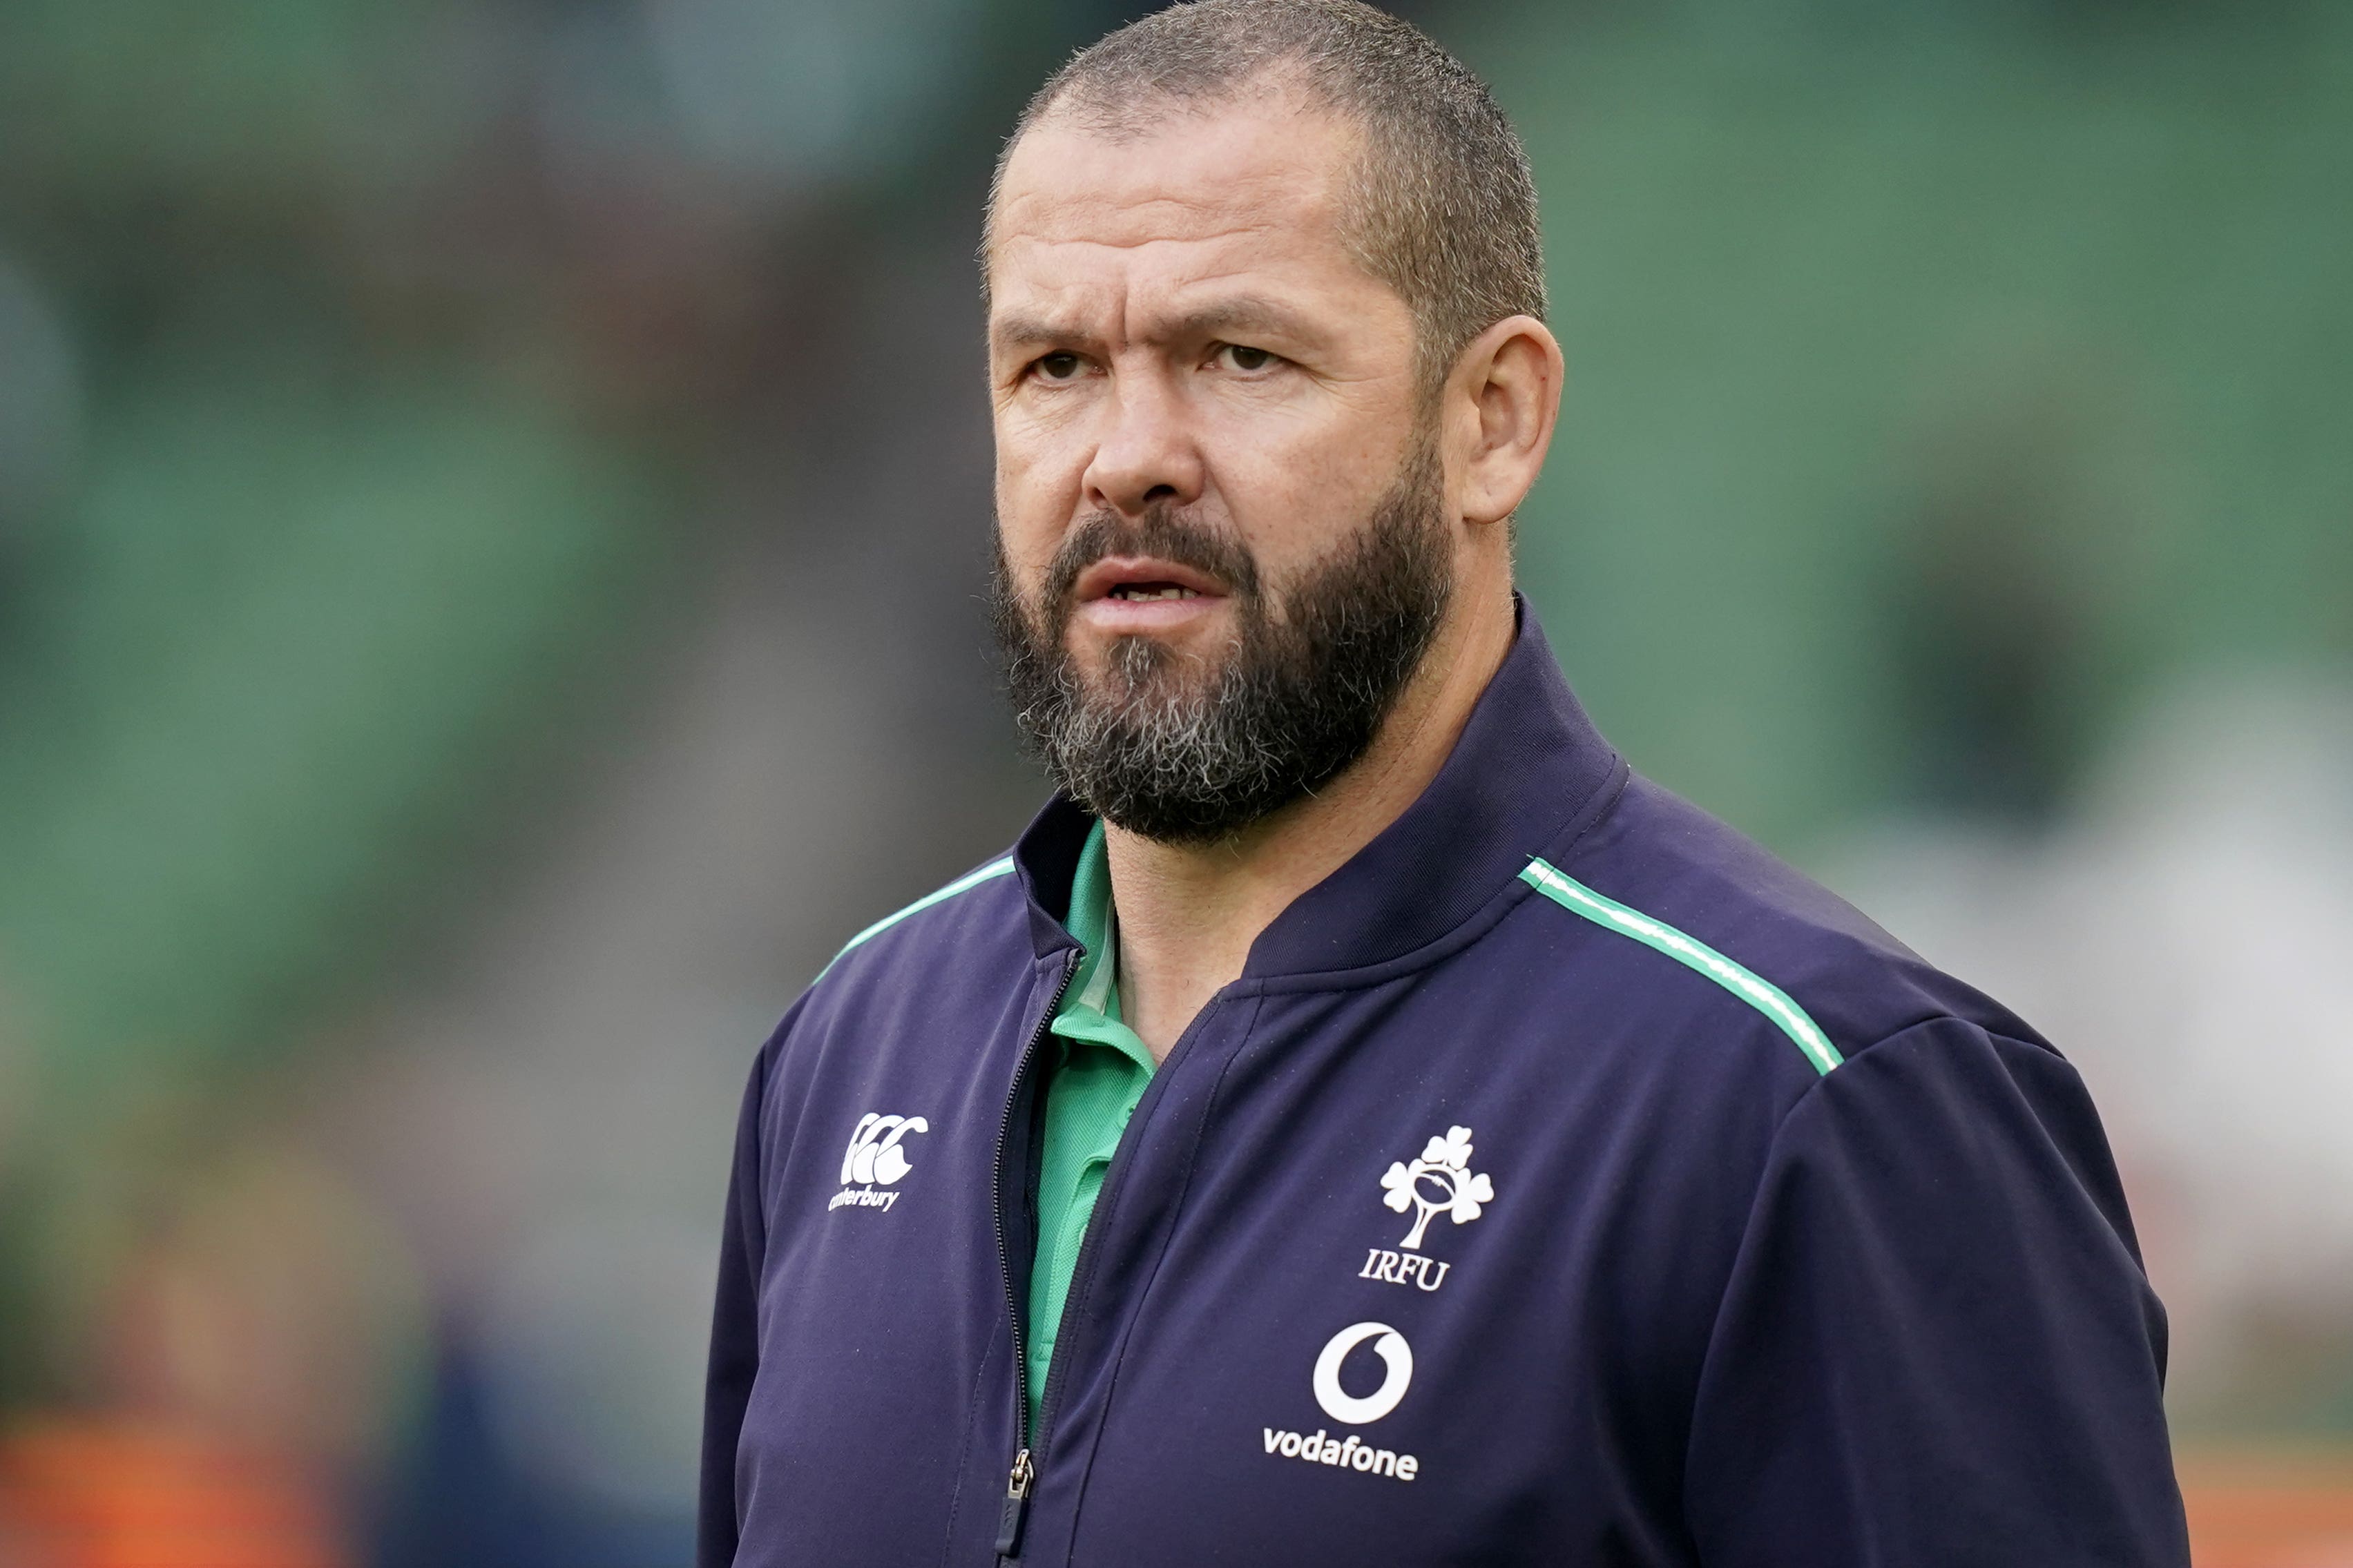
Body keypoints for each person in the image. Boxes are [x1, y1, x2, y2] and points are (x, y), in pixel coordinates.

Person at [698, 2, 2190, 1563]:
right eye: (1055, 365)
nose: (1128, 453)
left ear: (1494, 421)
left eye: (1240, 355)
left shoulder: (1826, 1102)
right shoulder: (849, 1050)